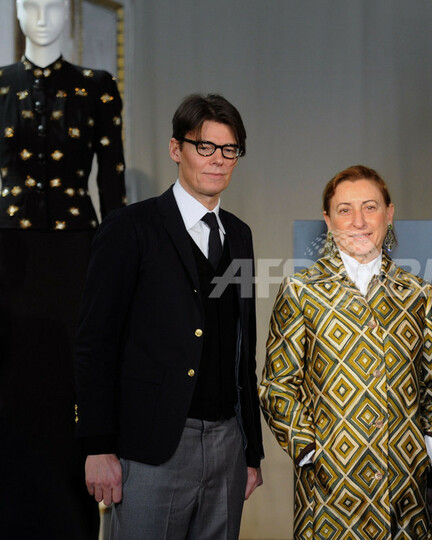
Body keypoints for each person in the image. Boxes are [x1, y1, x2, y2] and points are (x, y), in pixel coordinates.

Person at [73, 94, 263, 539]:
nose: (218, 160)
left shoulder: (239, 235)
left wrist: (251, 451)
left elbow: (242, 349)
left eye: (229, 150)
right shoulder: (129, 228)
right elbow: (93, 342)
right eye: (205, 147)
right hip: (151, 447)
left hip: (226, 448)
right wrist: (97, 445)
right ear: (176, 149)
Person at [260, 165, 432, 539]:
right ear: (328, 220)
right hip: (331, 493)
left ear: (389, 213)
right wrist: (311, 452)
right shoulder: (302, 290)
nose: (358, 221)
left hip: (405, 493)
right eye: (344, 210)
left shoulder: (417, 293)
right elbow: (277, 387)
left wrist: (428, 446)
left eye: (370, 207)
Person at [0, 0, 126, 537]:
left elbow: (113, 183)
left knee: (76, 381)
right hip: (9, 256)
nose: (43, 17)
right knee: (12, 385)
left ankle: (72, 522)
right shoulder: (0, 84)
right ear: (17, 14)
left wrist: (120, 258)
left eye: (54, 5)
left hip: (79, 250)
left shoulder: (96, 85)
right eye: (31, 5)